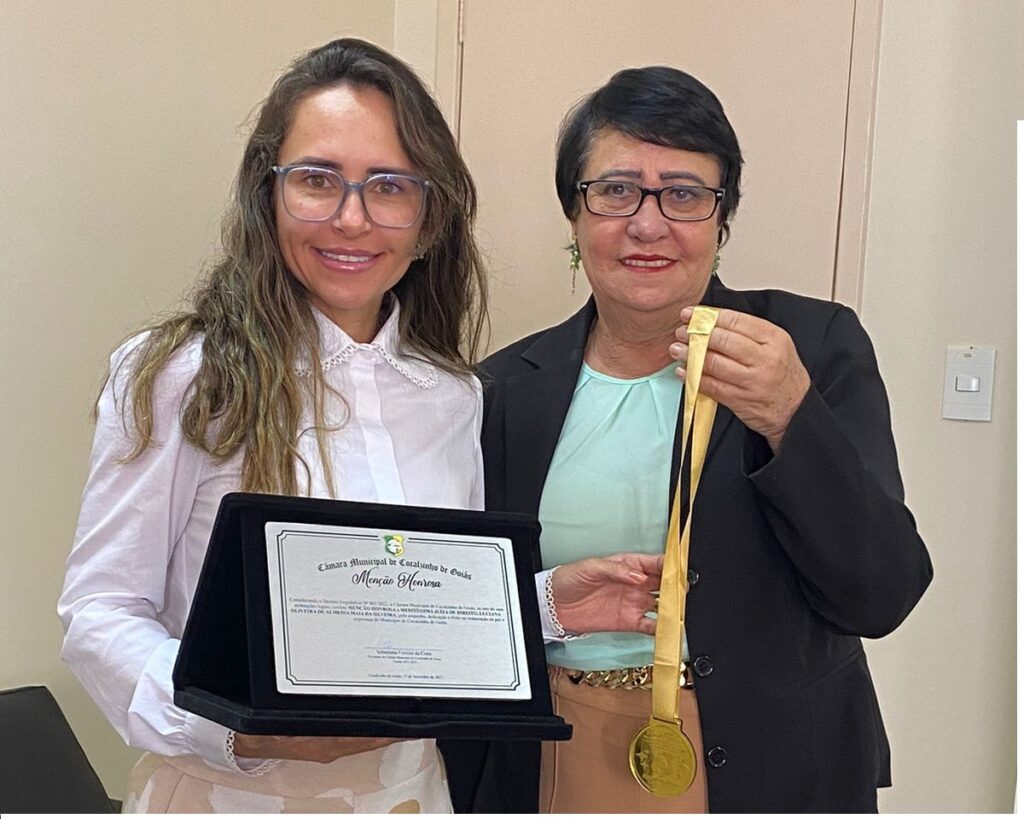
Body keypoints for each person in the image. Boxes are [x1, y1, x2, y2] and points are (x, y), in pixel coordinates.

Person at [439, 66, 933, 813]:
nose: (647, 224)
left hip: (774, 767)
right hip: (553, 758)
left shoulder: (809, 347)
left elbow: (882, 593)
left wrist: (790, 417)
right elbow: (464, 610)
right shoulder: (503, 389)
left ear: (721, 217)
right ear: (573, 214)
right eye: (615, 190)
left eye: (684, 193)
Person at [57, 38, 491, 813]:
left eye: (390, 186)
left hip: (412, 796)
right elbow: (100, 614)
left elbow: (437, 603)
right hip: (225, 796)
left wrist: (550, 605)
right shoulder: (183, 376)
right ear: (269, 193)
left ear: (428, 218)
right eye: (317, 179)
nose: (352, 218)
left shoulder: (452, 396)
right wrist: (241, 730)